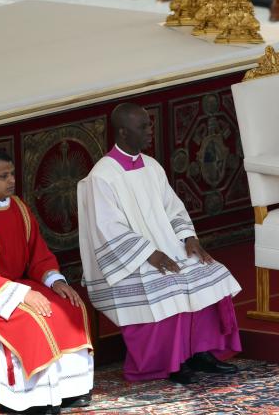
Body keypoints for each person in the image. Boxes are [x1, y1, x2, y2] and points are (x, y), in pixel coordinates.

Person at [77, 103, 242, 384]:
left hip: (166, 247)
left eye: (150, 124)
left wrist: (189, 239)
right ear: (122, 132)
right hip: (128, 260)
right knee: (170, 285)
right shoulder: (101, 177)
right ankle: (172, 361)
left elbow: (173, 209)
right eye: (143, 127)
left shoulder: (151, 166)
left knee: (210, 272)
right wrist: (149, 254)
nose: (150, 131)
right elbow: (107, 229)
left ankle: (199, 352)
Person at [0, 148, 93, 415]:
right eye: (3, 176)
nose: (12, 180)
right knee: (33, 318)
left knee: (67, 305)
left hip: (13, 287)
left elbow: (38, 254)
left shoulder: (20, 210)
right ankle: (26, 401)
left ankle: (70, 390)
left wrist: (55, 281)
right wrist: (22, 294)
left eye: (12, 174)